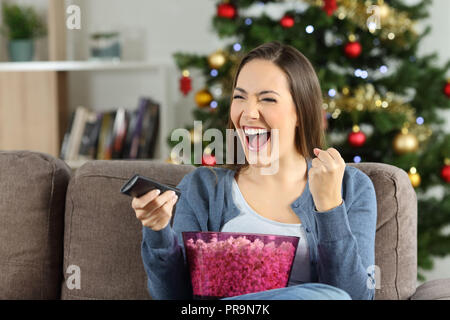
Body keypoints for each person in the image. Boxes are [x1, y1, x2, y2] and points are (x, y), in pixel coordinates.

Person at [132, 41, 377, 300]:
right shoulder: (203, 188)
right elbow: (175, 298)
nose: (248, 113)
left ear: (301, 113)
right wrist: (158, 232)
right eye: (239, 97)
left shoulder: (351, 187)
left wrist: (329, 208)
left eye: (268, 99)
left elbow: (355, 297)